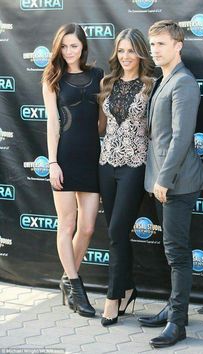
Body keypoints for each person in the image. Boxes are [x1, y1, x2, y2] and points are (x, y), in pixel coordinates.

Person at [138, 20, 203, 348]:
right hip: (160, 181)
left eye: (161, 44)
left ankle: (177, 323)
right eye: (152, 45)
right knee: (171, 252)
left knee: (178, 254)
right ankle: (171, 307)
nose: (155, 50)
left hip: (177, 183)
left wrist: (164, 180)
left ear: (178, 45)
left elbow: (182, 138)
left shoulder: (183, 82)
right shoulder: (163, 79)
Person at [42, 23, 104, 317]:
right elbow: (53, 124)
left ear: (83, 47)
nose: (68, 51)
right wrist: (53, 162)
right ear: (58, 47)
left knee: (88, 227)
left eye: (74, 46)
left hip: (92, 157)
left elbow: (102, 121)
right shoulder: (52, 77)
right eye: (64, 46)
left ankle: (67, 279)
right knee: (66, 224)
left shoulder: (97, 76)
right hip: (65, 158)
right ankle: (78, 289)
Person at [98, 28, 154, 326]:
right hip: (106, 164)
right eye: (121, 50)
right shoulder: (108, 83)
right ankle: (129, 288)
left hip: (135, 165)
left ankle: (112, 297)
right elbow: (101, 125)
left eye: (131, 50)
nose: (126, 56)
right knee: (116, 234)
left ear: (141, 53)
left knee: (118, 231)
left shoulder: (151, 86)